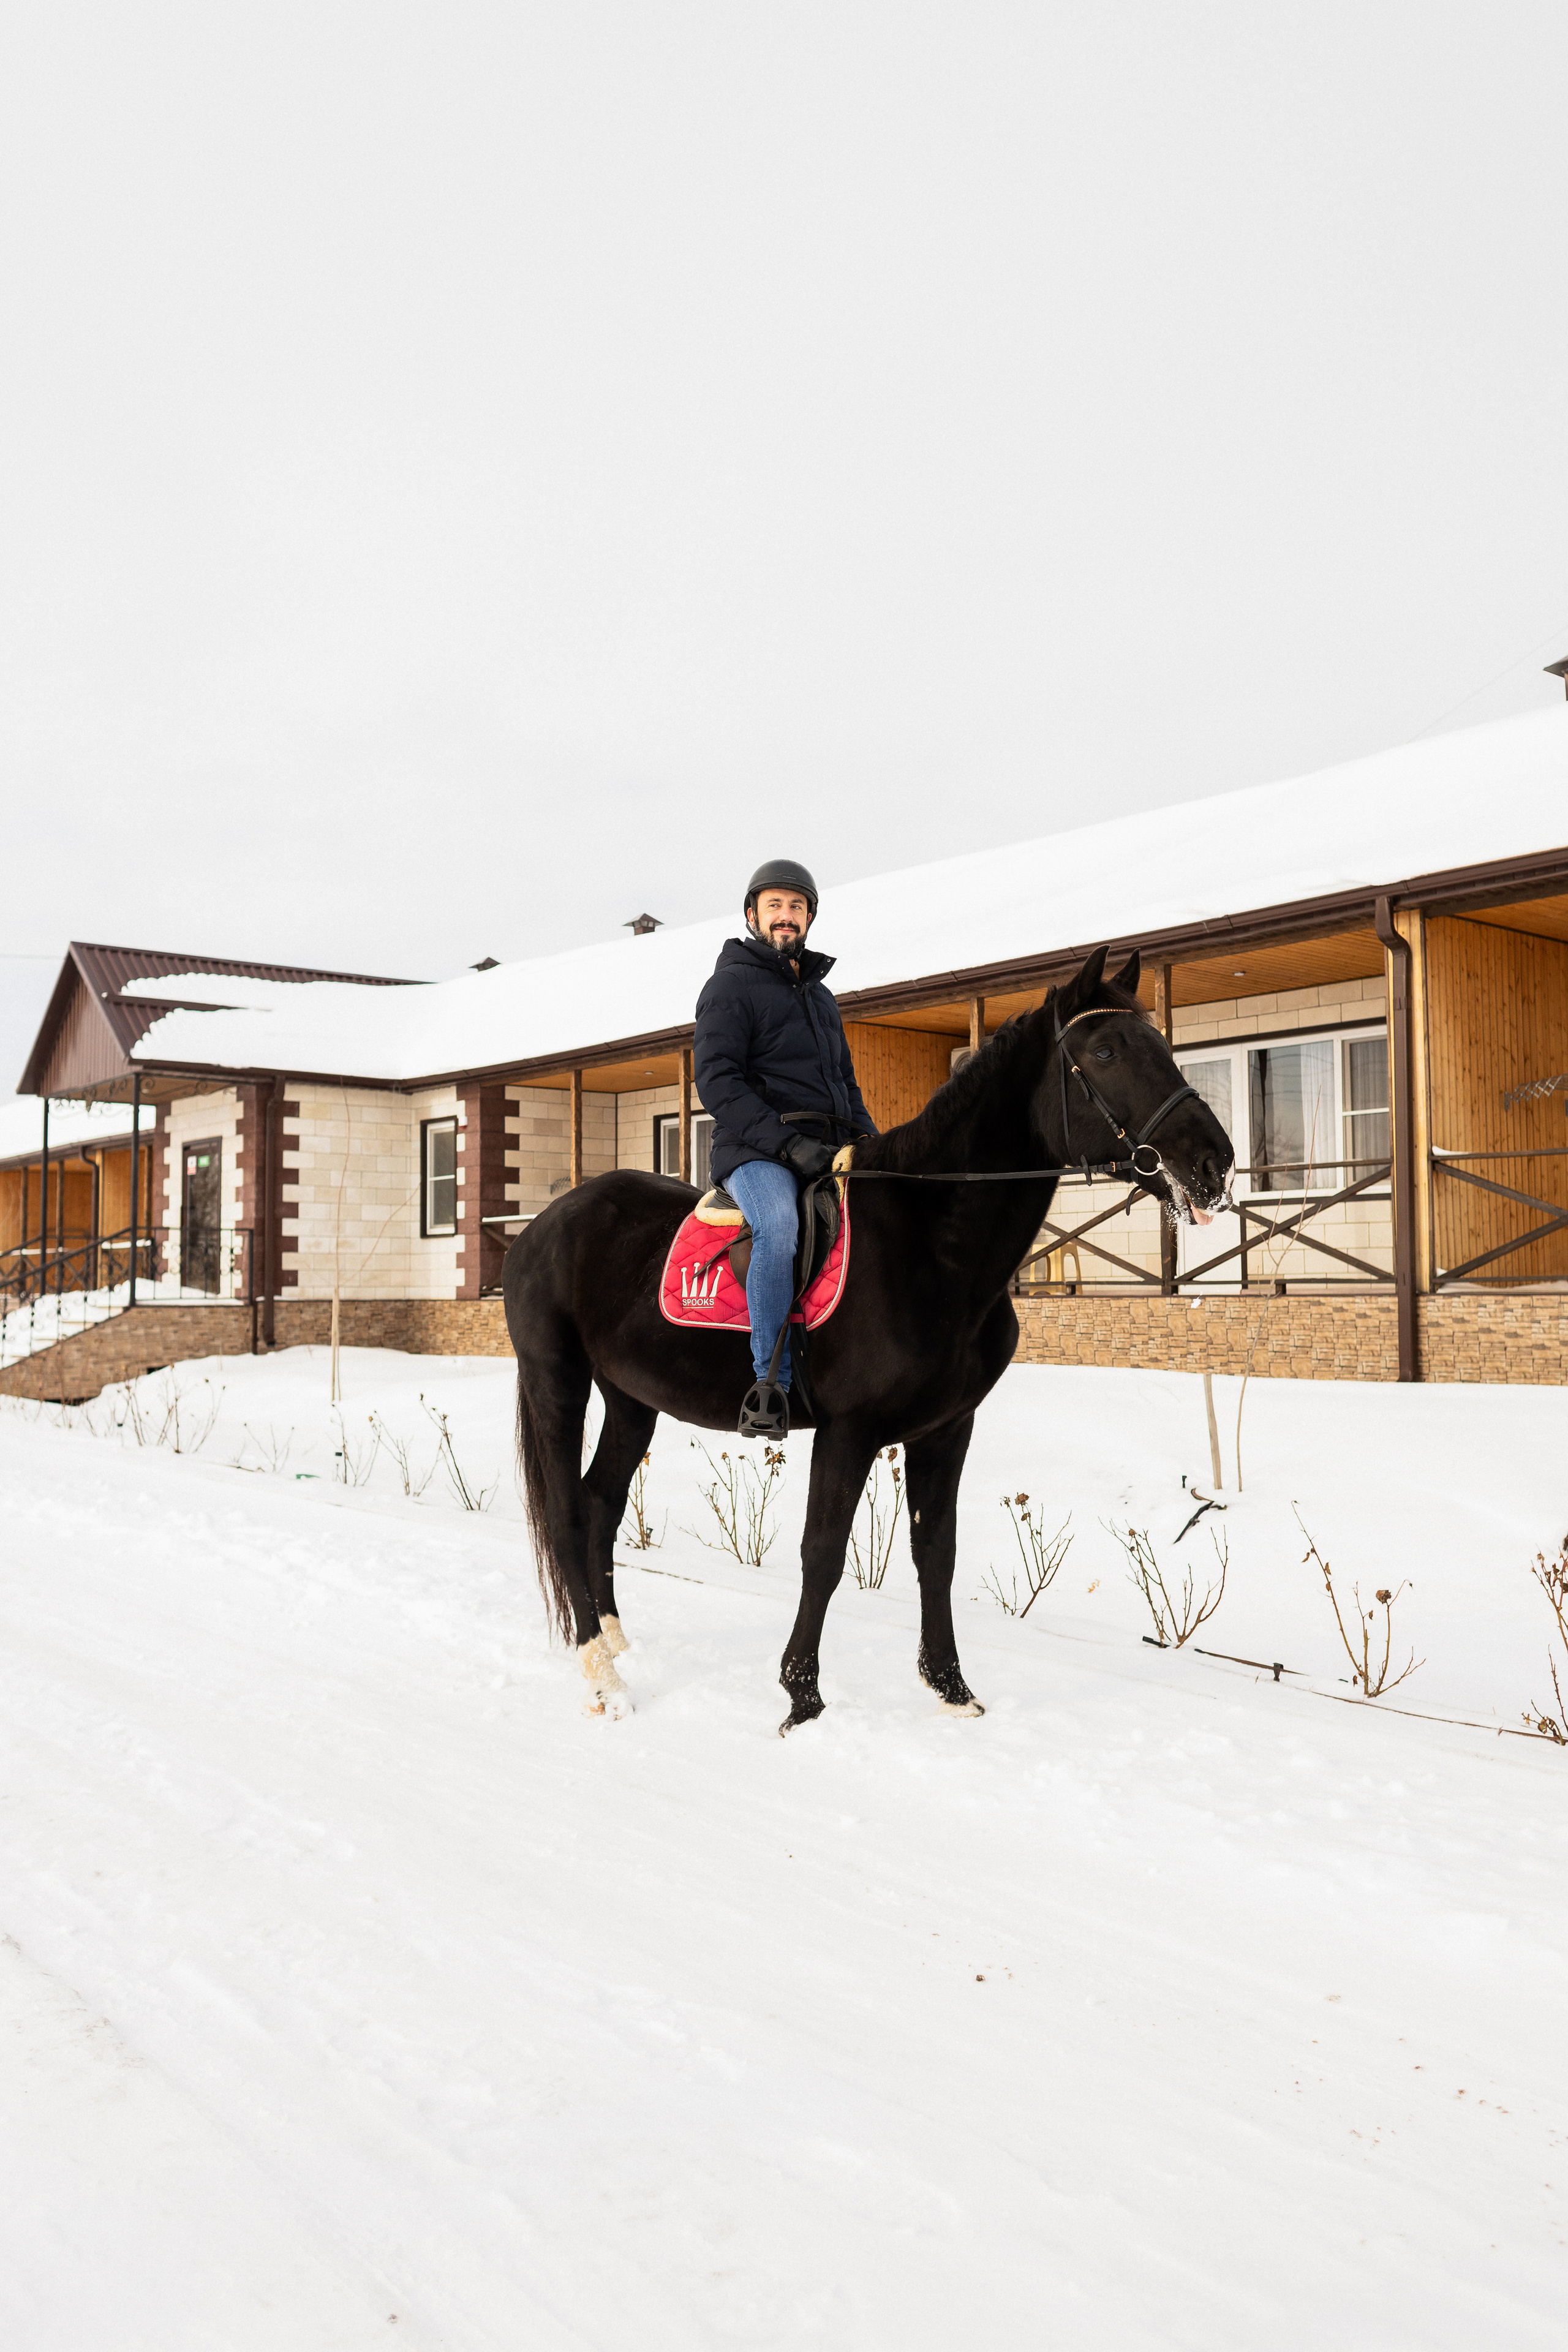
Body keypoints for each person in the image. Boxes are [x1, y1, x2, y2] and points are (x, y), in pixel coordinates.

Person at [693, 858, 876, 1436]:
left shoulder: (821, 998)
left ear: (809, 918)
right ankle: (769, 1384)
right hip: (755, 1150)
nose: (786, 916)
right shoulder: (729, 985)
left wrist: (869, 1141)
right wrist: (785, 1143)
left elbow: (844, 1083)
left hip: (826, 1146)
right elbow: (718, 1080)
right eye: (774, 905)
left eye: (797, 907)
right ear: (753, 915)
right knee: (778, 1226)